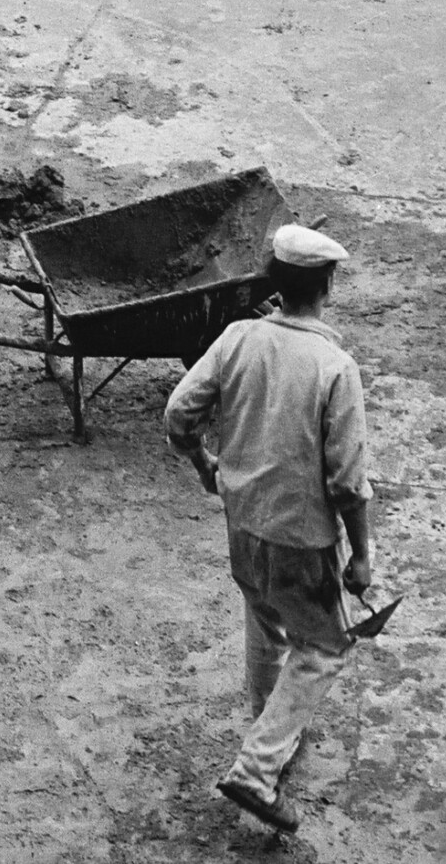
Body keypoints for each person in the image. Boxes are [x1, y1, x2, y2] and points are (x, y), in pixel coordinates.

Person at [164, 224, 373, 837]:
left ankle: (267, 725)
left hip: (242, 524)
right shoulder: (335, 367)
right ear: (327, 287)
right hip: (301, 539)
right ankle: (256, 769)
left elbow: (180, 413)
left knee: (264, 620)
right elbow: (347, 482)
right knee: (326, 647)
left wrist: (205, 463)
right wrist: (361, 557)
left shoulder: (237, 337)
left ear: (274, 284)